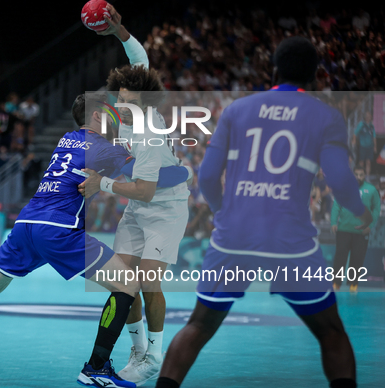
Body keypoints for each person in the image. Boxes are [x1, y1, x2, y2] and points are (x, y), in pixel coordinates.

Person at [0, 93, 191, 388]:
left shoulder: (66, 139)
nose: (114, 117)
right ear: (98, 116)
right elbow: (149, 180)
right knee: (128, 285)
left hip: (24, 226)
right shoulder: (103, 147)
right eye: (109, 113)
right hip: (58, 229)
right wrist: (182, 171)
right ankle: (96, 368)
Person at [155, 37, 373, 388]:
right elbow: (341, 181)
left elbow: (208, 176)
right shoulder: (327, 116)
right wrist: (361, 214)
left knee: (199, 325)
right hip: (290, 242)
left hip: (233, 238)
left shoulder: (238, 109)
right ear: (317, 76)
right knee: (331, 332)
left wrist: (222, 211)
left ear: (273, 70)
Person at [82, 5, 190, 386]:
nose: (122, 104)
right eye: (120, 97)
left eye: (129, 98)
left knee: (148, 283)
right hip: (138, 210)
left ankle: (155, 356)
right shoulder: (121, 124)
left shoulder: (151, 126)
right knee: (120, 281)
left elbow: (144, 189)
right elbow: (137, 60)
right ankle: (137, 349)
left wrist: (104, 184)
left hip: (167, 210)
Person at [331, 166, 380, 293]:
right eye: (356, 174)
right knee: (340, 257)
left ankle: (354, 284)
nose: (358, 177)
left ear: (365, 176)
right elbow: (336, 204)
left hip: (361, 231)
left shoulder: (372, 190)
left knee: (357, 258)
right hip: (343, 229)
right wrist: (333, 222)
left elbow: (376, 209)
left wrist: (370, 226)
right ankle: (336, 283)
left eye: (361, 175)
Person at [352, 112, 376, 176]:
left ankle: (367, 176)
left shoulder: (371, 125)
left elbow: (374, 136)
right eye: (367, 116)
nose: (369, 117)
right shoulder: (361, 124)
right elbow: (355, 133)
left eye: (370, 116)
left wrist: (375, 146)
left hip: (370, 146)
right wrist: (354, 140)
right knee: (361, 162)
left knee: (368, 162)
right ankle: (360, 175)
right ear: (365, 117)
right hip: (362, 146)